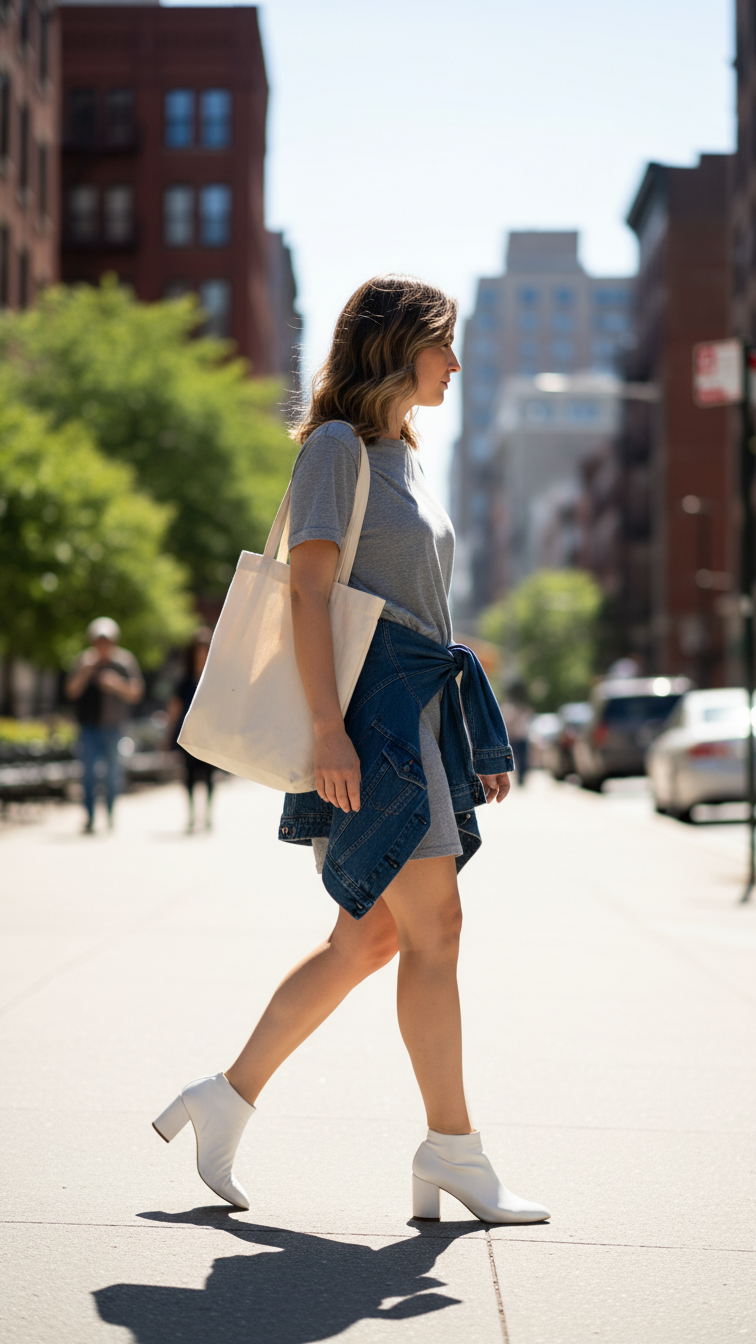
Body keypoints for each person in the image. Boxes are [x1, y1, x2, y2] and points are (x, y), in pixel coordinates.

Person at [153, 276, 550, 1226]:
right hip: (371, 724)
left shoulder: (403, 455)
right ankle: (453, 1149)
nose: (455, 363)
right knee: (435, 929)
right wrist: (329, 730)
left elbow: (423, 616)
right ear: (398, 346)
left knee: (370, 937)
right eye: (443, 343)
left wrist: (470, 735)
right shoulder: (336, 448)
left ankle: (226, 1096)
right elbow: (307, 591)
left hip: (418, 719)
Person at [65, 618, 144, 833]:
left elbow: (136, 692)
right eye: (99, 641)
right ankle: (89, 816)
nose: (102, 646)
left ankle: (109, 813)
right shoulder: (84, 661)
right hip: (88, 728)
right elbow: (71, 691)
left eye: (106, 641)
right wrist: (85, 672)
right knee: (88, 773)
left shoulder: (124, 662)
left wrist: (117, 684)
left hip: (114, 727)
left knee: (112, 774)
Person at [164, 628, 215, 833]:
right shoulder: (184, 680)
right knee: (189, 776)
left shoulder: (215, 678)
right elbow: (174, 708)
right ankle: (193, 815)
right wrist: (168, 734)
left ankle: (208, 815)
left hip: (210, 736)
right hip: (188, 735)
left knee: (209, 776)